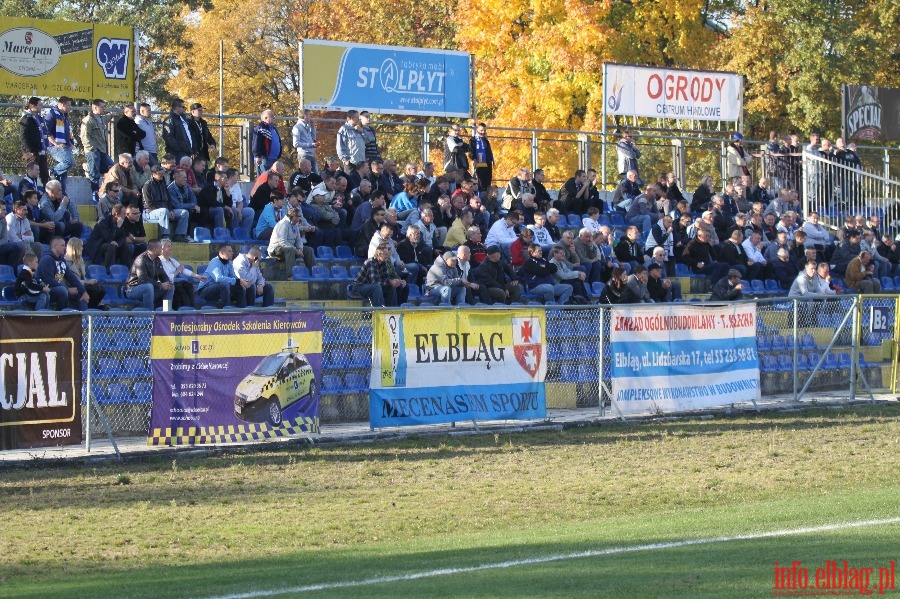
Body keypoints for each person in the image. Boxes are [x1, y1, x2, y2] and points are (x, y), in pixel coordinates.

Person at [37, 236, 89, 310]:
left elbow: (71, 277)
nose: (64, 247)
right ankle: (65, 314)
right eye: (62, 245)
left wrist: (84, 292)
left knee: (80, 292)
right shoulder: (46, 259)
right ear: (55, 246)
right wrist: (67, 289)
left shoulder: (62, 260)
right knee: (62, 290)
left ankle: (84, 317)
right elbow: (49, 281)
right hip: (45, 289)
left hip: (59, 287)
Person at [123, 239, 174, 310]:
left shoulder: (157, 259)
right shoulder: (140, 260)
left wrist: (167, 283)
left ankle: (166, 311)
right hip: (133, 289)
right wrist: (160, 285)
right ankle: (149, 315)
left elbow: (163, 275)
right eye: (160, 248)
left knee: (170, 287)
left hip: (151, 288)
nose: (162, 249)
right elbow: (143, 279)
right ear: (155, 249)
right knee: (148, 287)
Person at [80, 99, 114, 198]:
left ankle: (106, 192)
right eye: (102, 107)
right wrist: (92, 148)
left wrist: (112, 114)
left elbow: (107, 117)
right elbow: (84, 136)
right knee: (95, 175)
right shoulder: (88, 120)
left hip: (102, 150)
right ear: (95, 108)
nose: (104, 109)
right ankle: (95, 196)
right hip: (93, 151)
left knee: (112, 168)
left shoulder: (101, 119)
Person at [159, 238, 205, 309]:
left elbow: (183, 270)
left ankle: (191, 309)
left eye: (171, 246)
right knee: (180, 289)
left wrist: (198, 276)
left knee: (188, 285)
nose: (171, 248)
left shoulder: (172, 260)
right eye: (168, 246)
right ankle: (183, 310)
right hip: (165, 285)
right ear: (162, 248)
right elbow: (168, 277)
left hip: (172, 283)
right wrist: (177, 271)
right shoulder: (159, 261)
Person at [65, 237, 107, 310]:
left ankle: (96, 306)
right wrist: (86, 282)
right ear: (76, 247)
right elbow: (68, 281)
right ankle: (92, 308)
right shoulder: (66, 262)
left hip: (82, 285)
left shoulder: (80, 261)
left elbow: (82, 277)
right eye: (81, 246)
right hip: (74, 287)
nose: (82, 248)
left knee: (102, 289)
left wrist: (88, 282)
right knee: (95, 289)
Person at [268, 207, 315, 272]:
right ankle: (291, 275)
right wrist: (296, 250)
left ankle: (312, 273)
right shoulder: (283, 224)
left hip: (290, 248)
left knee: (309, 250)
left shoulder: (295, 225)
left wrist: (300, 249)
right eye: (299, 216)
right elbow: (282, 242)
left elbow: (299, 240)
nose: (300, 218)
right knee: (290, 249)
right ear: (294, 216)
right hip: (276, 249)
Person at [45, 96, 75, 193]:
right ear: (62, 104)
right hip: (54, 146)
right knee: (69, 162)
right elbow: (46, 130)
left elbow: (67, 131)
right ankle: (52, 171)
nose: (70, 107)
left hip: (65, 145)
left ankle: (60, 192)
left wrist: (70, 143)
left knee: (63, 175)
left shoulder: (64, 116)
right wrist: (55, 143)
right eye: (69, 105)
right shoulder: (52, 114)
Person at [19, 97, 50, 184]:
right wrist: (31, 150)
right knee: (33, 176)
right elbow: (23, 137)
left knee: (44, 176)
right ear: (32, 105)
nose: (41, 107)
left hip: (41, 151)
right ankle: (29, 195)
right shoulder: (26, 118)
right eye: (40, 105)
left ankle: (43, 195)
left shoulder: (39, 118)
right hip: (32, 152)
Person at [252, 109, 282, 174]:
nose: (274, 118)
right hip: (264, 159)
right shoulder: (261, 128)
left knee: (272, 178)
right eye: (272, 116)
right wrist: (258, 156)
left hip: (273, 159)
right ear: (266, 118)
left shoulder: (273, 128)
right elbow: (256, 142)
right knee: (265, 178)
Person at [292, 108, 319, 173]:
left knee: (316, 176)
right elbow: (295, 143)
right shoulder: (297, 127)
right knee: (306, 175)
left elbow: (313, 138)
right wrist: (310, 144)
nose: (311, 117)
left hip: (311, 154)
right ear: (305, 116)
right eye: (309, 115)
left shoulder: (307, 125)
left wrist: (313, 127)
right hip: (304, 154)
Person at [469, 122, 494, 190]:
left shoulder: (485, 139)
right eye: (481, 130)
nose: (483, 132)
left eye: (484, 130)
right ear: (477, 130)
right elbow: (471, 153)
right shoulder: (473, 140)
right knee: (480, 182)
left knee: (488, 182)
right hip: (479, 163)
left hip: (488, 162)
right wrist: (475, 161)